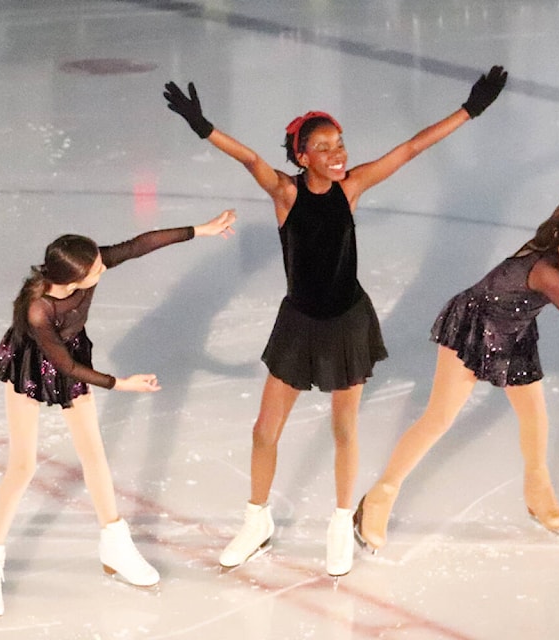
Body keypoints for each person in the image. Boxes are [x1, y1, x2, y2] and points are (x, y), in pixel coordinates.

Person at [162, 64, 507, 578]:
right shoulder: (286, 194)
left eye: (340, 142)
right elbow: (251, 159)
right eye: (324, 147)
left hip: (347, 322)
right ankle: (256, 521)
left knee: (344, 429)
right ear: (303, 157)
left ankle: (340, 520)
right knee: (264, 432)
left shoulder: (352, 187)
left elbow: (411, 148)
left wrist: (470, 109)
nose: (338, 153)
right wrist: (203, 127)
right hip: (299, 324)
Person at [0, 209, 237, 619]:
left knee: (94, 456)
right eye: (96, 267)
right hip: (34, 365)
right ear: (73, 277)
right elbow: (66, 367)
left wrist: (201, 230)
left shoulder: (85, 269)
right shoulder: (39, 310)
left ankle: (114, 544)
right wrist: (121, 384)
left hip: (69, 356)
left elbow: (140, 245)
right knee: (22, 467)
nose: (103, 268)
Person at [352, 193, 559, 551]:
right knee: (438, 418)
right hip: (475, 324)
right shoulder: (549, 274)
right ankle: (379, 497)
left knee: (534, 416)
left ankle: (537, 488)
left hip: (514, 331)